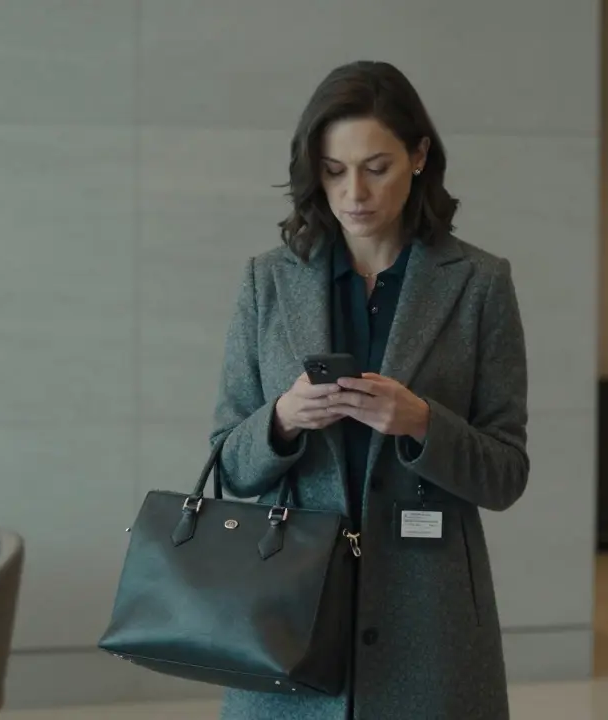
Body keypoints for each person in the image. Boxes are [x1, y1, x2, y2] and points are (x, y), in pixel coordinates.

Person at [211, 60, 530, 720]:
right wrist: (283, 418)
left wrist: (422, 423)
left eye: (376, 167)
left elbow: (505, 474)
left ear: (419, 156)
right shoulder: (268, 282)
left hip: (430, 621)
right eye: (333, 170)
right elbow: (229, 465)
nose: (353, 192)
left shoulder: (480, 285)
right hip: (288, 615)